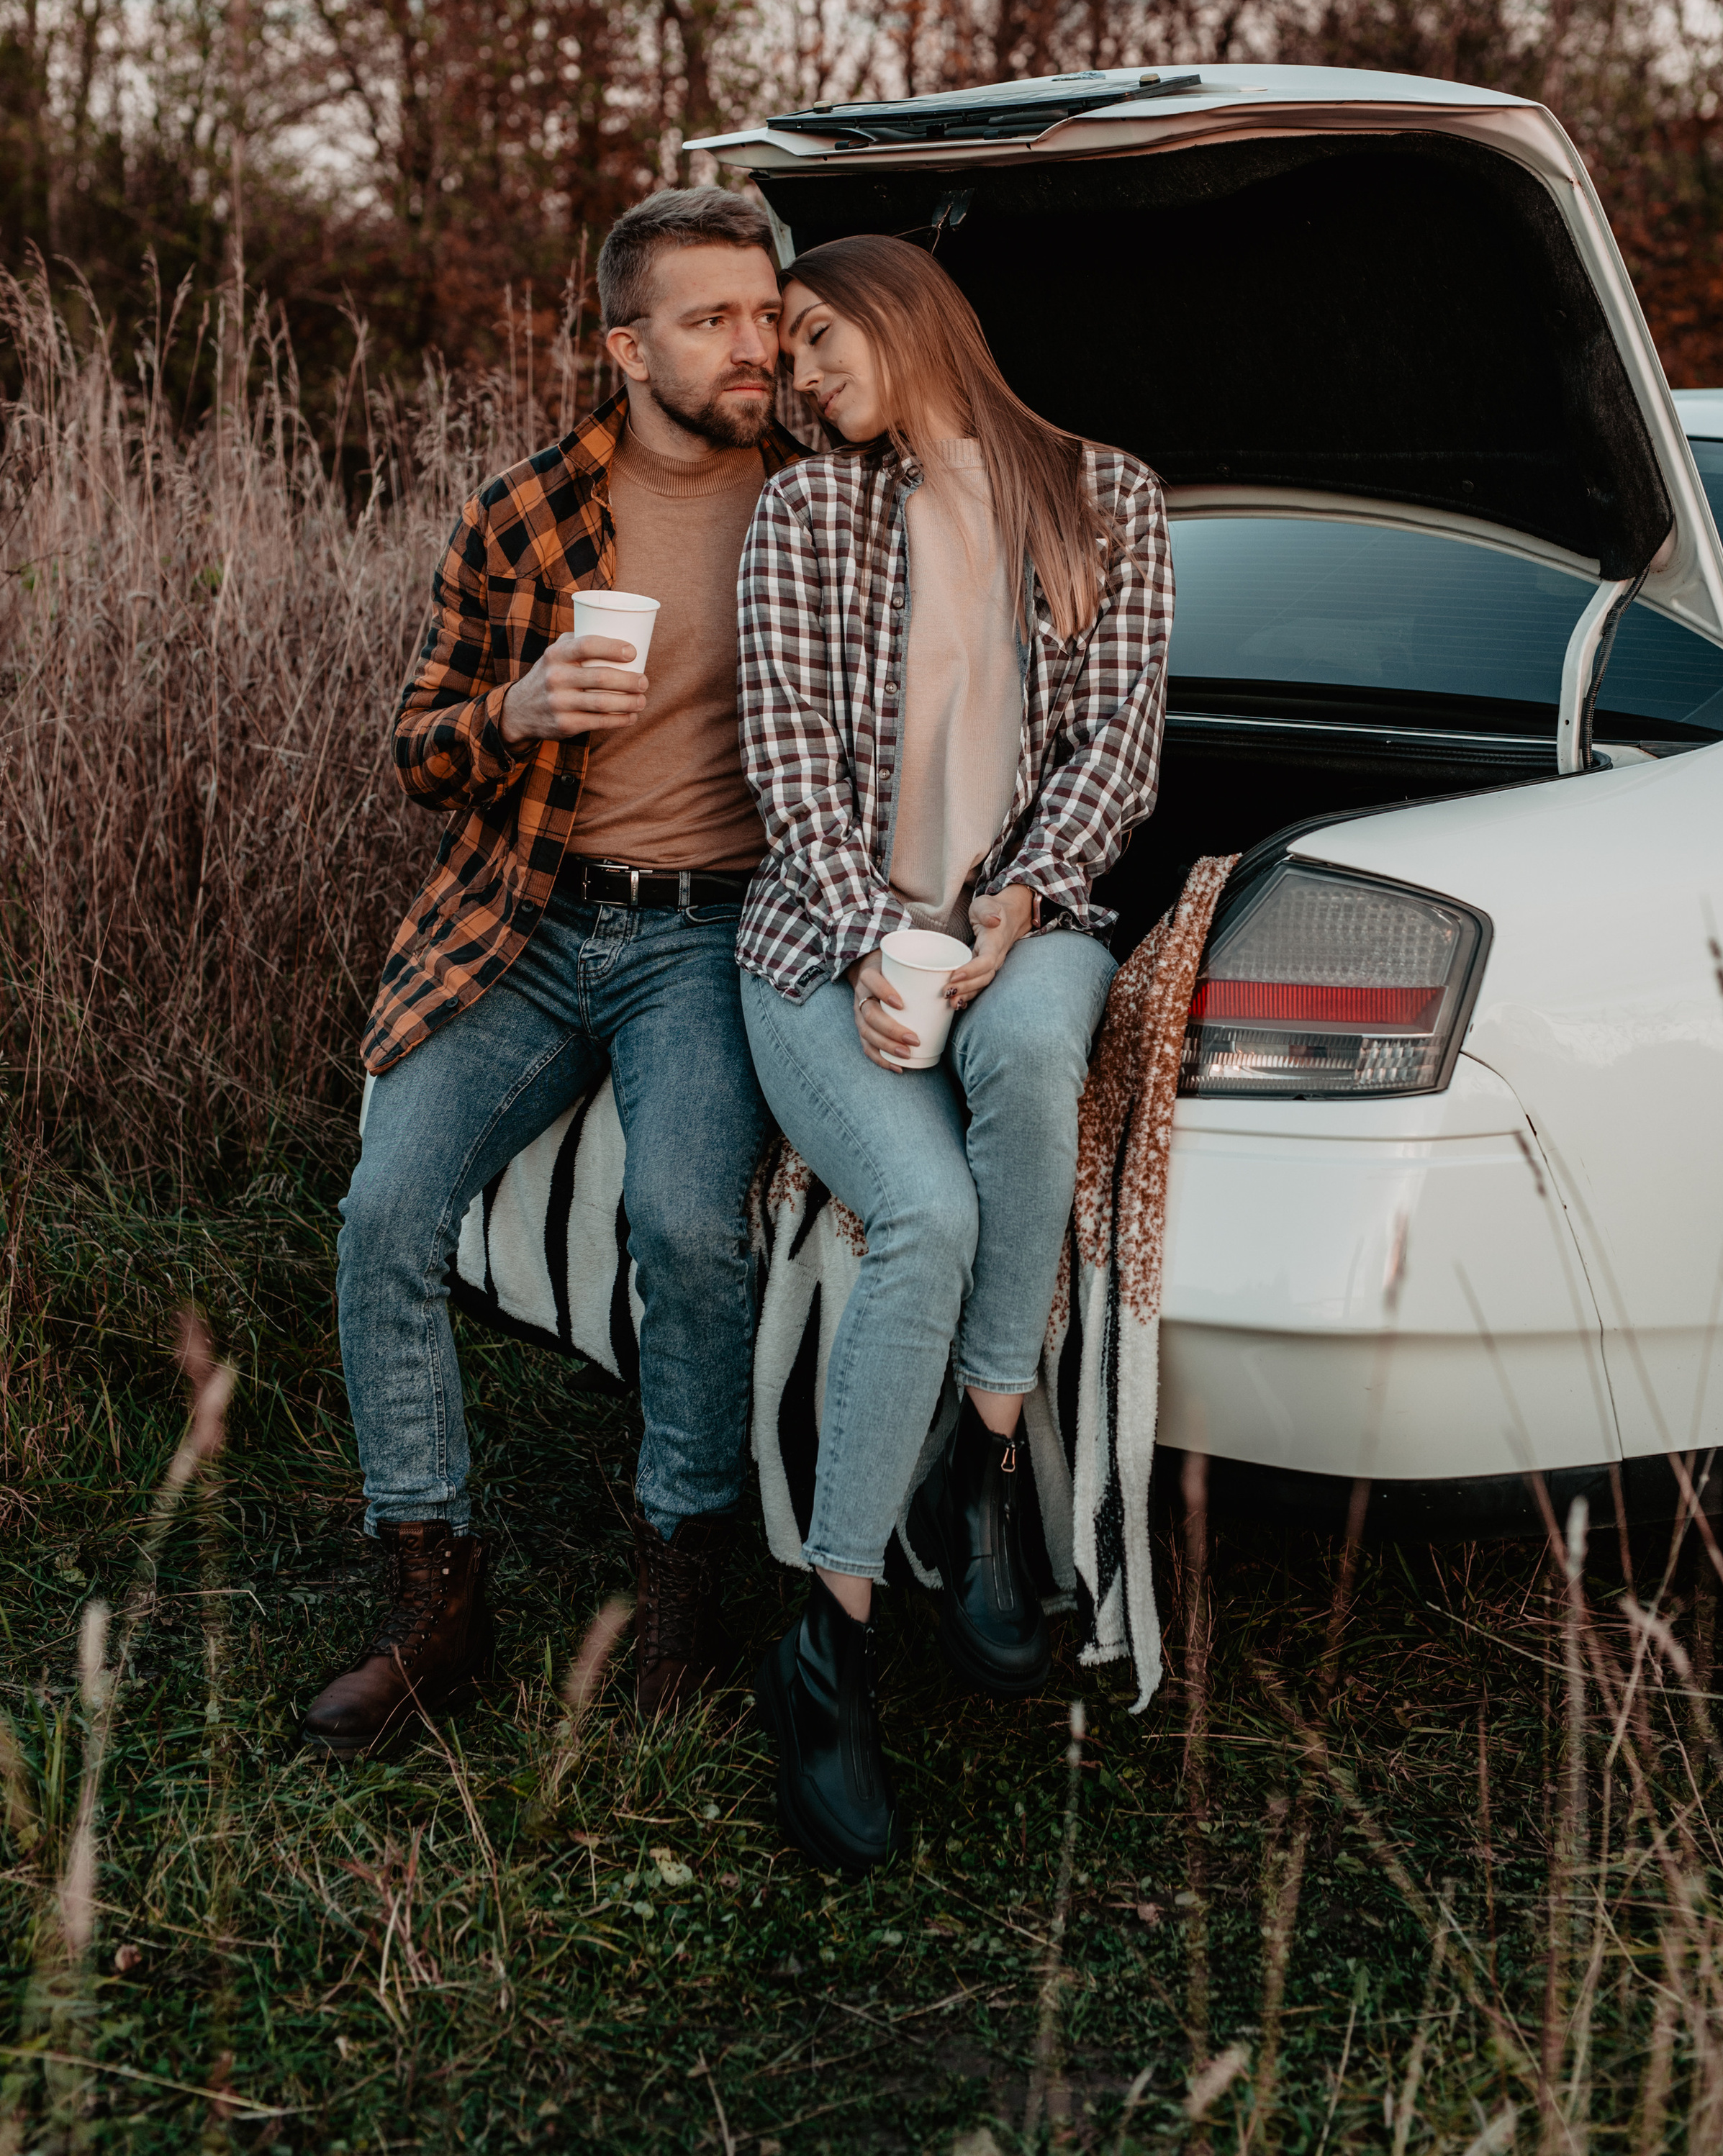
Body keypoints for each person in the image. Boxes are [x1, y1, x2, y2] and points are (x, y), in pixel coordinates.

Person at [302, 187, 803, 1758]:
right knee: (382, 1215)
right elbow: (414, 744)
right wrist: (514, 712)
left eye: (763, 310)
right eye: (709, 318)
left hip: (710, 937)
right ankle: (434, 1605)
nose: (752, 342)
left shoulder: (825, 498)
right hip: (524, 920)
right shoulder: (523, 511)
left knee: (684, 1228)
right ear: (623, 342)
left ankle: (679, 1588)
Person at [736, 232, 1173, 1872]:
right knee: (921, 1217)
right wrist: (871, 939)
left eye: (813, 336)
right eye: (783, 353)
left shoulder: (1103, 497)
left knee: (1035, 1061)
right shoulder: (805, 514)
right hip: (816, 939)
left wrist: (1012, 912)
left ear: (904, 316)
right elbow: (784, 759)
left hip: (1032, 920)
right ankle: (826, 1639)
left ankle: (980, 1471)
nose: (795, 373)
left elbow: (1117, 740)